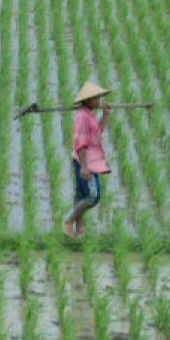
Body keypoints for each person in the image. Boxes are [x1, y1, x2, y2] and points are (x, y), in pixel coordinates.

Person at [62, 81, 112, 238]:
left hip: (91, 161)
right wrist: (84, 166)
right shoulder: (82, 117)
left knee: (81, 195)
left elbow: (96, 134)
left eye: (98, 98)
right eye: (95, 99)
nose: (98, 102)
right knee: (93, 197)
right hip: (85, 162)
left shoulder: (88, 115)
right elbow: (81, 143)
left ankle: (80, 231)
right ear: (87, 100)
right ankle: (69, 221)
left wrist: (105, 115)